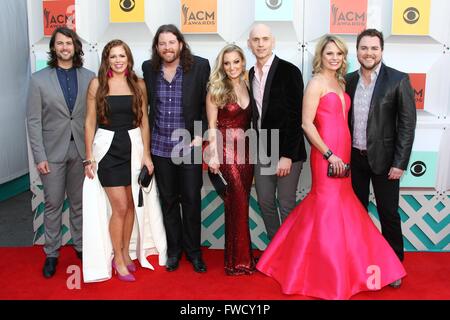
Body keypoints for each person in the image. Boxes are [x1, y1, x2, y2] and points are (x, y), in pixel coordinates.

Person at [256, 35, 406, 300]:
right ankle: (322, 270)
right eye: (329, 54)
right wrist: (328, 154)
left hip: (346, 154)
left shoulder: (341, 81)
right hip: (326, 153)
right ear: (320, 56)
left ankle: (351, 266)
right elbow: (306, 123)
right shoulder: (315, 83)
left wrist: (341, 154)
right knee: (325, 208)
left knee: (345, 208)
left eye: (339, 54)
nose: (335, 58)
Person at [83, 39, 167, 282]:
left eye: (122, 56)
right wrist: (88, 157)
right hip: (107, 150)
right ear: (106, 60)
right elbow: (89, 121)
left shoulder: (138, 84)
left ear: (128, 59)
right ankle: (117, 257)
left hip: (132, 148)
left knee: (130, 205)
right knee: (119, 206)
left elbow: (144, 121)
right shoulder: (97, 84)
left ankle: (127, 254)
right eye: (113, 56)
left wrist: (147, 155)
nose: (118, 61)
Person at [346, 29, 416, 288]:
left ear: (382, 50)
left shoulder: (397, 80)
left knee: (388, 213)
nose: (369, 53)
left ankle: (394, 265)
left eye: (374, 48)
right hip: (355, 159)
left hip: (387, 162)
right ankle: (361, 261)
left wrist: (400, 163)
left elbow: (407, 126)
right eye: (364, 48)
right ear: (357, 51)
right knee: (357, 214)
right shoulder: (348, 80)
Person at [26, 27, 95, 278]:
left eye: (69, 43)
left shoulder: (89, 77)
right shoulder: (38, 80)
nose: (65, 47)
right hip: (51, 153)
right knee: (53, 204)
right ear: (53, 48)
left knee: (78, 204)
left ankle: (80, 247)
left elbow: (93, 117)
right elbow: (33, 121)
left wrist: (92, 153)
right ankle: (52, 253)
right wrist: (39, 156)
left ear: (76, 47)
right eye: (60, 44)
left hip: (81, 150)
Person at [142, 24, 210, 273]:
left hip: (188, 145)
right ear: (157, 47)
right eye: (162, 44)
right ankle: (174, 251)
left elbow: (207, 103)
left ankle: (194, 253)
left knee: (191, 200)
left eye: (172, 42)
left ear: (180, 44)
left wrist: (200, 133)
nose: (167, 48)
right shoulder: (149, 69)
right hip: (159, 147)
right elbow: (146, 107)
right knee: (168, 201)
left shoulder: (200, 66)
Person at [247, 23, 306, 241]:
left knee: (287, 203)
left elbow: (296, 116)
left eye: (265, 39)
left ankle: (290, 252)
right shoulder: (250, 74)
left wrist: (287, 156)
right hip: (263, 149)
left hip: (287, 152)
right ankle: (276, 248)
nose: (260, 44)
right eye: (256, 40)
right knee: (265, 201)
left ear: (273, 42)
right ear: (249, 44)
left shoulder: (290, 71)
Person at [206, 44, 256, 275]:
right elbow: (212, 126)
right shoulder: (216, 89)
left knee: (240, 203)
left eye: (236, 62)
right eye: (227, 63)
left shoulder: (249, 85)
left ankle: (238, 259)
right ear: (222, 65)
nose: (232, 67)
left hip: (246, 152)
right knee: (236, 201)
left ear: (243, 62)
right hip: (225, 151)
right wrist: (213, 156)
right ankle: (239, 262)